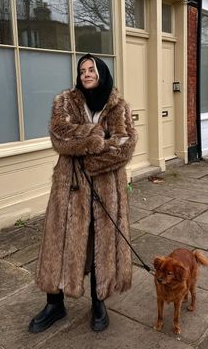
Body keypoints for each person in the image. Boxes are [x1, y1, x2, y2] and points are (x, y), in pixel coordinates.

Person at [29, 53, 137, 333]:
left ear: (101, 73)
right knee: (60, 240)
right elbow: (59, 134)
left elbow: (124, 145)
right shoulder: (65, 101)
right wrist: (96, 137)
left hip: (106, 188)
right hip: (70, 187)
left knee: (100, 244)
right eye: (82, 70)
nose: (86, 74)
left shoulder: (119, 106)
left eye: (91, 69)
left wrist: (88, 156)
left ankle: (99, 301)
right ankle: (54, 303)